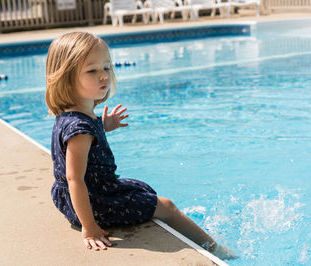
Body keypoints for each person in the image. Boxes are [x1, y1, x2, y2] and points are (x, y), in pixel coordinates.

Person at [45, 32, 236, 260]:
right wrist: (90, 227)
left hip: (82, 196)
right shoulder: (80, 130)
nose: (103, 76)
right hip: (95, 202)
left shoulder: (76, 117)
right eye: (92, 70)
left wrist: (103, 126)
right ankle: (217, 250)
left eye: (106, 68)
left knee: (142, 189)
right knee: (167, 206)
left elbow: (81, 142)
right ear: (66, 77)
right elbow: (74, 179)